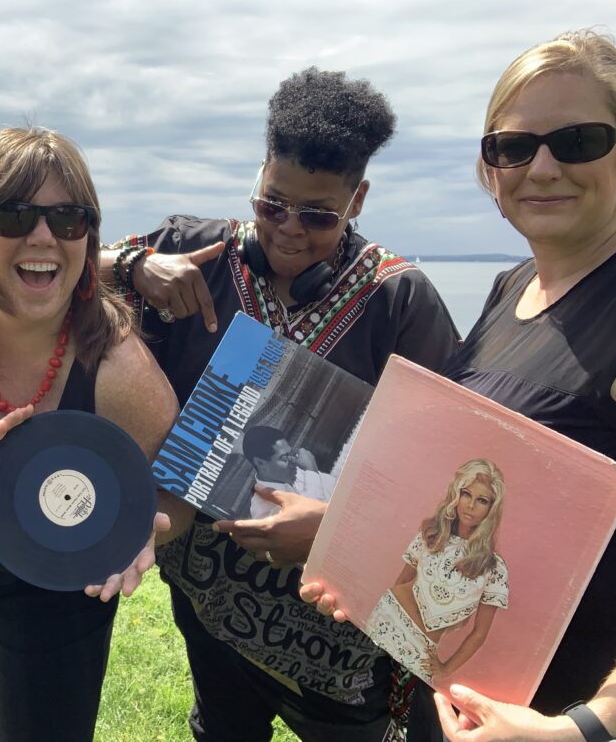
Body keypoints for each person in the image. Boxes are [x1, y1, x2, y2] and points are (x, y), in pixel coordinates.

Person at [103, 68, 460, 741]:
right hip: (207, 603)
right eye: (272, 204)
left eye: (319, 215)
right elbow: (54, 268)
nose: (289, 231)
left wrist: (335, 525)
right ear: (259, 176)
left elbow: (450, 479)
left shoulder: (401, 304)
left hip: (333, 635)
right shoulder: (193, 252)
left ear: (359, 199)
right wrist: (130, 267)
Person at [304, 30, 616, 742]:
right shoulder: (512, 288)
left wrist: (586, 729)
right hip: (455, 698)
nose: (542, 167)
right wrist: (349, 542)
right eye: (513, 147)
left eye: (578, 140)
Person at [0, 126, 179, 742]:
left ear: (88, 233)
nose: (42, 236)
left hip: (65, 591)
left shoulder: (115, 367)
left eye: (67, 218)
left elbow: (174, 488)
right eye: (13, 215)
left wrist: (144, 529)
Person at [365, 459, 508, 685]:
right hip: (387, 616)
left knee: (398, 708)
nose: (470, 505)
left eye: (482, 500)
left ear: (491, 509)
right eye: (466, 494)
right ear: (456, 494)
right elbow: (403, 580)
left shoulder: (493, 566)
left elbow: (479, 634)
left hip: (422, 647)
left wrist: (445, 668)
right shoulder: (432, 535)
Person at [242, 425, 337, 512]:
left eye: (291, 454)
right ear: (260, 463)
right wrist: (311, 471)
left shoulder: (298, 471)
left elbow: (336, 490)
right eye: (284, 457)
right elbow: (315, 518)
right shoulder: (262, 508)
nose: (294, 462)